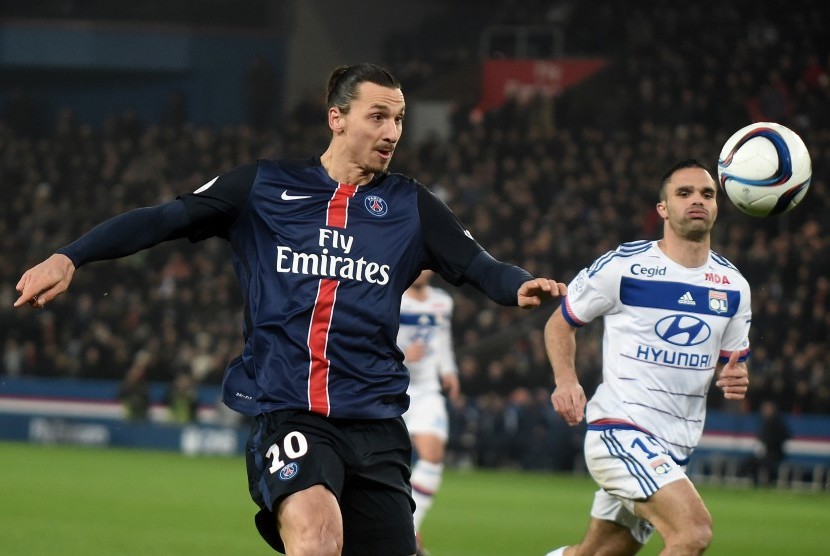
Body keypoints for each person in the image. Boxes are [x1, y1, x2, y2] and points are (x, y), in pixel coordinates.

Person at [14, 63, 567, 556]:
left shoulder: (411, 207)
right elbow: (163, 219)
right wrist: (71, 256)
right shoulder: (263, 187)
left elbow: (479, 265)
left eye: (398, 119)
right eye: (378, 117)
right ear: (337, 118)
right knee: (317, 537)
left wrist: (519, 285)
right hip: (290, 410)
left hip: (374, 421)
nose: (392, 133)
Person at [542, 159, 751, 556]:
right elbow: (560, 322)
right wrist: (566, 380)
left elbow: (733, 364)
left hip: (676, 448)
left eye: (707, 194)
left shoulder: (734, 286)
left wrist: (737, 375)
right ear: (662, 209)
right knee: (693, 533)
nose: (697, 201)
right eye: (684, 193)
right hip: (620, 432)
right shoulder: (625, 267)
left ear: (717, 206)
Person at [398, 269, 460, 555]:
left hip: (426, 392)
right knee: (388, 466)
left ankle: (408, 527)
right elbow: (374, 334)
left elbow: (442, 340)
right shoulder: (393, 297)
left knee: (433, 454)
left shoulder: (442, 302)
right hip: (391, 387)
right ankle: (398, 530)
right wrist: (402, 354)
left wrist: (449, 371)